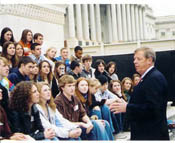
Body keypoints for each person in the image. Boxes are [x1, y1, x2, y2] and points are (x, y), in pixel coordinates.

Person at [110, 47, 169, 140]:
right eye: (134, 59)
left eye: (139, 59)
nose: (135, 62)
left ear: (149, 60)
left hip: (151, 135)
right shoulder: (148, 77)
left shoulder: (154, 78)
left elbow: (154, 109)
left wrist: (127, 107)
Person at [54, 75, 113, 140]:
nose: (72, 88)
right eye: (69, 86)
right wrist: (83, 124)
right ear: (62, 88)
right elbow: (64, 123)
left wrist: (89, 123)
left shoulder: (75, 98)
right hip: (69, 129)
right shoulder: (58, 102)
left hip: (80, 125)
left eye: (73, 85)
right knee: (96, 125)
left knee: (105, 123)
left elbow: (83, 114)